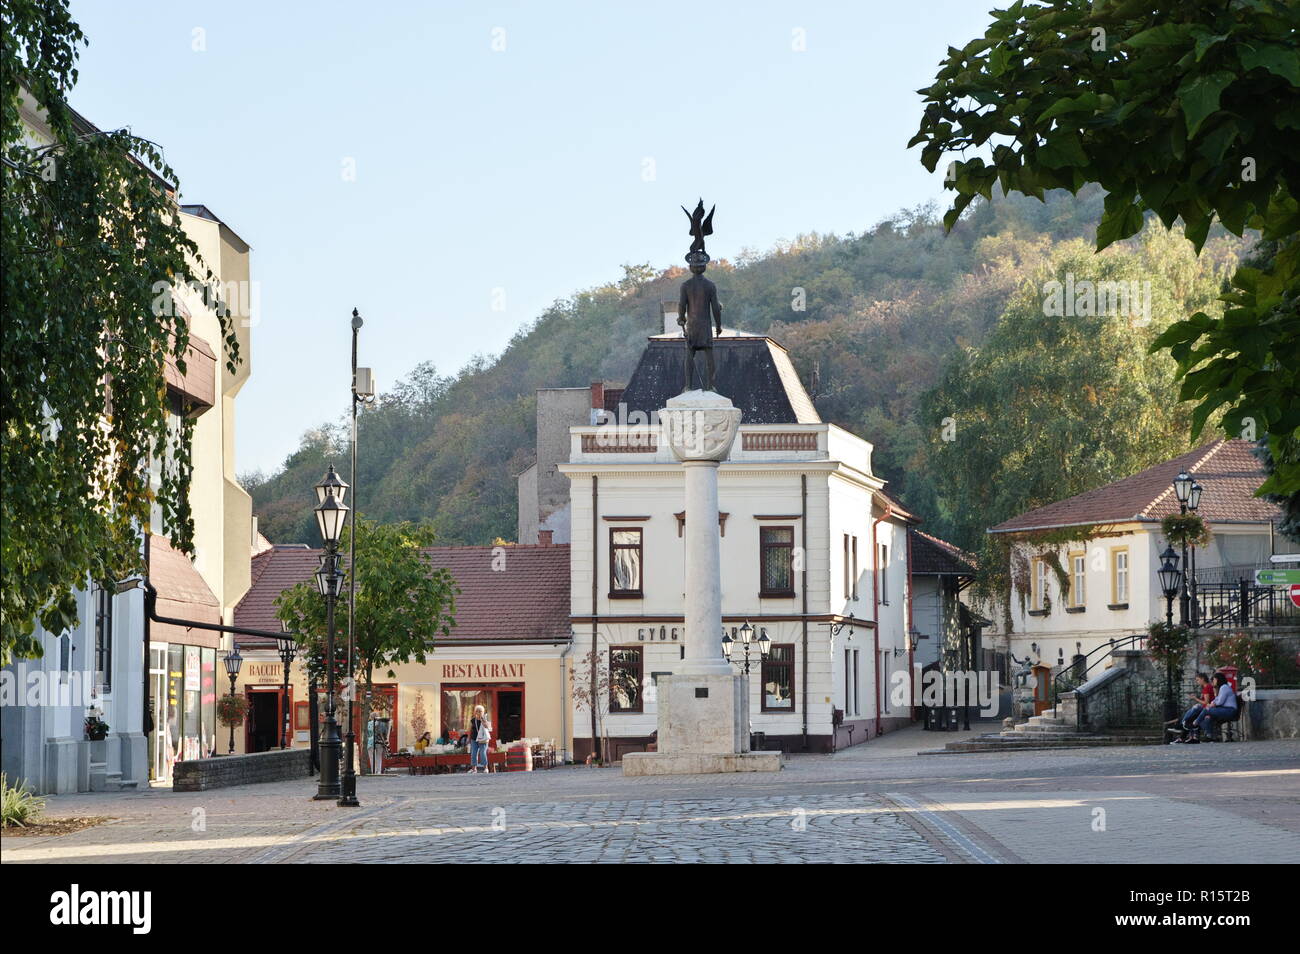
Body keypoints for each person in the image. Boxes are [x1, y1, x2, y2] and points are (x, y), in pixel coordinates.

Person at [1189, 672, 1237, 742]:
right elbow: (1217, 699)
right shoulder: (1222, 688)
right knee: (1208, 716)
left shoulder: (1224, 687)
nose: (1213, 681)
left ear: (1218, 680)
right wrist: (1212, 703)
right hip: (1226, 709)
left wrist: (1212, 704)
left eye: (1214, 680)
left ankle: (1196, 723)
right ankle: (1209, 736)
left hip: (1229, 710)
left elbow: (1220, 701)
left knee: (1206, 710)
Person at [1168, 673, 1214, 744]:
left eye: (1198, 680)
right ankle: (1184, 730)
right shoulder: (1208, 687)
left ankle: (1181, 726)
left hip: (1206, 709)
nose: (1197, 682)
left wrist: (1195, 698)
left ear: (1202, 679)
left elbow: (1206, 702)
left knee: (1195, 708)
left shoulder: (1207, 688)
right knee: (1191, 715)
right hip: (1206, 709)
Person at [468, 705, 492, 774]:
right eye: (477, 711)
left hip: (483, 739)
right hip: (474, 739)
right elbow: (470, 729)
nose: (478, 712)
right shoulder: (473, 720)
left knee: (483, 753)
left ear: (483, 712)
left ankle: (485, 768)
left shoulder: (485, 719)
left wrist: (483, 721)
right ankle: (474, 769)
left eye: (480, 711)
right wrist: (468, 738)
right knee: (473, 753)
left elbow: (488, 728)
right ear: (475, 712)